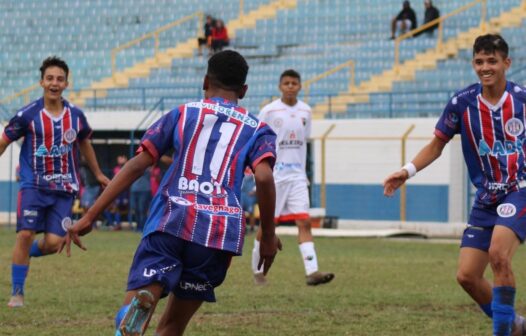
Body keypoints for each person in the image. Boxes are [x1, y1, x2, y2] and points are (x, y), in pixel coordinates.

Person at [61, 50, 282, 336]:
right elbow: (263, 177)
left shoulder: (181, 114)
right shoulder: (258, 129)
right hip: (216, 233)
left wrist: (91, 214)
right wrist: (267, 235)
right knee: (173, 326)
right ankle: (134, 317)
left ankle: (132, 314)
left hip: (171, 220)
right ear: (243, 90)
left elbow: (137, 165)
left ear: (205, 81)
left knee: (135, 310)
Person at [383, 34, 526, 336]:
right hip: (486, 197)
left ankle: (502, 332)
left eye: (492, 61)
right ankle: (516, 325)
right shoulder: (462, 103)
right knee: (467, 276)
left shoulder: (522, 101)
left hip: (519, 188)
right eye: (479, 61)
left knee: (499, 255)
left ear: (506, 63)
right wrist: (406, 171)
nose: (485, 67)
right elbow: (437, 145)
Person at [0, 56, 109, 308]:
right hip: (33, 186)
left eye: (59, 79)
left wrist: (98, 173)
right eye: (50, 78)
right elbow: (5, 140)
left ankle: (23, 257)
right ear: (41, 82)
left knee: (54, 243)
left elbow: (84, 142)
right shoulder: (27, 115)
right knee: (25, 233)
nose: (54, 83)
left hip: (64, 189)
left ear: (66, 84)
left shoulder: (76, 116)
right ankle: (17, 292)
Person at [251, 69, 334, 286]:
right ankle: (257, 270)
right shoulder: (269, 111)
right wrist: (255, 174)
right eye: (286, 83)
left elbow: (304, 140)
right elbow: (256, 140)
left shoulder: (306, 111)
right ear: (280, 86)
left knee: (304, 221)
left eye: (294, 83)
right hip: (275, 176)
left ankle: (312, 271)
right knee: (268, 226)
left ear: (300, 86)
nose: (290, 86)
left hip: (297, 176)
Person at [104, 155, 129, 230]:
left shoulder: (127, 168)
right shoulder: (115, 169)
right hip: (116, 191)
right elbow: (113, 181)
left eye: (122, 158)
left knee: (117, 208)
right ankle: (113, 224)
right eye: (119, 158)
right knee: (107, 209)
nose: (121, 159)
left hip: (124, 193)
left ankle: (117, 225)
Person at [130, 168, 151, 232]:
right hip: (134, 190)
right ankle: (138, 226)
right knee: (135, 209)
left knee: (142, 209)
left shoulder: (147, 167)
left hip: (144, 190)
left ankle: (142, 227)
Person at [241, 168, 257, 232]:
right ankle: (243, 228)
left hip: (250, 194)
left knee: (251, 211)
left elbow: (258, 180)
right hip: (241, 193)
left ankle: (252, 228)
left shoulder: (253, 168)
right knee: (241, 211)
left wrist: (254, 190)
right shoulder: (241, 166)